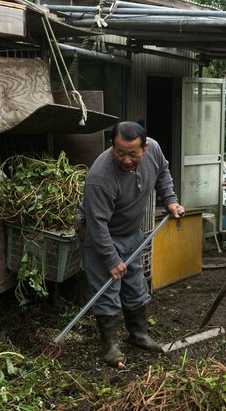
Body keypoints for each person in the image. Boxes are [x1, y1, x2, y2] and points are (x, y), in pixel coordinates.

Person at [78, 121, 184, 367]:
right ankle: (110, 346)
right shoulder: (100, 178)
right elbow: (97, 225)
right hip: (99, 236)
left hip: (130, 232)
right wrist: (111, 259)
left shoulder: (154, 151)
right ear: (112, 146)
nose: (126, 159)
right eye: (120, 152)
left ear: (144, 148)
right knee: (108, 290)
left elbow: (163, 173)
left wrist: (170, 200)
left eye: (133, 154)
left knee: (135, 285)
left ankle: (138, 335)